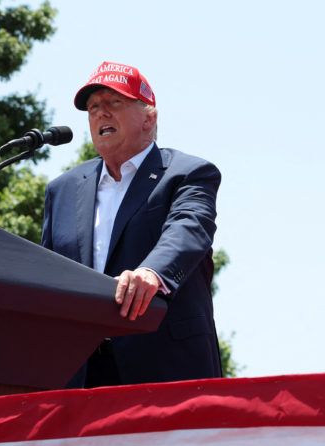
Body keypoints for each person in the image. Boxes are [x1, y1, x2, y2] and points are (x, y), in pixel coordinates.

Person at [42, 61, 221, 385]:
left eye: (114, 103)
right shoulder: (62, 189)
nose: (101, 114)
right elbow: (48, 272)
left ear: (149, 118)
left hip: (164, 369)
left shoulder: (187, 173)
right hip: (77, 374)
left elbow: (189, 228)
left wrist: (152, 272)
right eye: (93, 108)